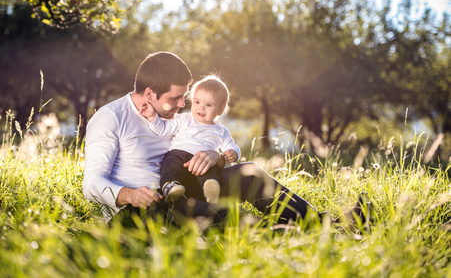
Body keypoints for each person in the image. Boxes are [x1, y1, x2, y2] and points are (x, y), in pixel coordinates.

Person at [83, 51, 369, 227]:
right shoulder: (110, 119)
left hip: (191, 185)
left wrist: (216, 156)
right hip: (150, 208)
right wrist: (129, 194)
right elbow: (92, 183)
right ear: (149, 94)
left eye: (184, 98)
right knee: (221, 214)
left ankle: (331, 224)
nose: (182, 106)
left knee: (251, 172)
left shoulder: (172, 115)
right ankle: (282, 236)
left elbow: (208, 138)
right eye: (174, 99)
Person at [141, 75, 240, 204]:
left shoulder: (220, 130)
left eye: (208, 105)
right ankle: (169, 186)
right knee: (171, 166)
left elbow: (231, 145)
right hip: (178, 154)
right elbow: (163, 129)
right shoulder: (183, 119)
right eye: (197, 102)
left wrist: (233, 153)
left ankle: (211, 191)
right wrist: (152, 117)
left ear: (220, 111)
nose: (201, 108)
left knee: (210, 173)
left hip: (202, 161)